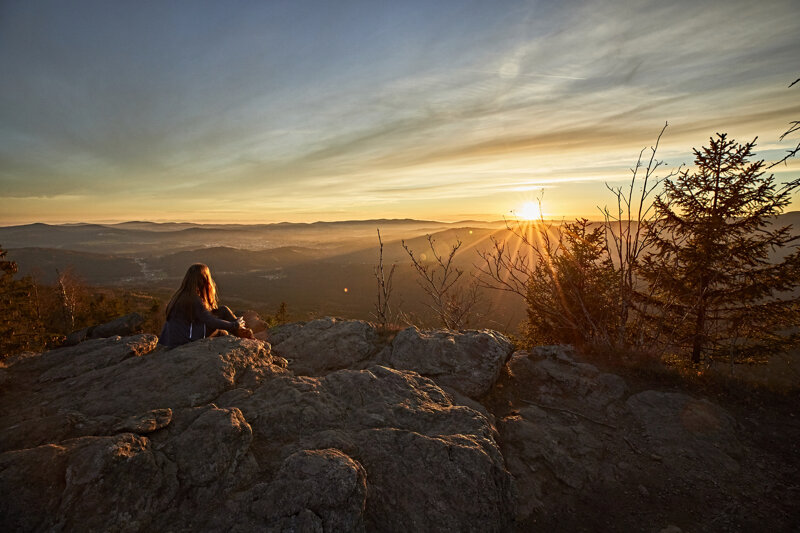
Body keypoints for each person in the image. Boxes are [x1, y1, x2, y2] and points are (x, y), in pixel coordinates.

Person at [158, 263, 247, 348]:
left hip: (174, 338)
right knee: (223, 333)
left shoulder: (180, 295)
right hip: (185, 340)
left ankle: (243, 333)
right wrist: (234, 325)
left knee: (223, 310)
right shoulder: (193, 299)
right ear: (203, 279)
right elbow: (210, 321)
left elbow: (202, 315)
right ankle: (245, 336)